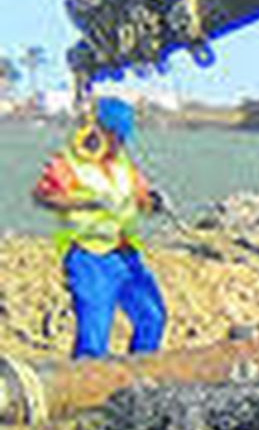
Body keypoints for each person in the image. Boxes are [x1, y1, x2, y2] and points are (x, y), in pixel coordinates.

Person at [32, 96, 167, 359]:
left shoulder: (124, 165)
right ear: (98, 130)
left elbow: (141, 198)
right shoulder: (70, 162)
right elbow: (43, 195)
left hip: (124, 254)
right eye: (114, 135)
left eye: (122, 137)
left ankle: (138, 374)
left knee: (152, 316)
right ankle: (83, 387)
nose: (118, 143)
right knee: (94, 335)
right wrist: (83, 202)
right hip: (89, 256)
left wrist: (153, 202)